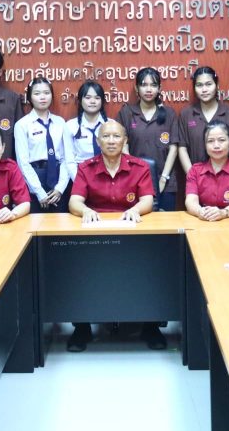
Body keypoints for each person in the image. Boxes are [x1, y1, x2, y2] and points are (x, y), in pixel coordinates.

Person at [67, 120, 157, 351]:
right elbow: (74, 201)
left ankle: (151, 325)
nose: (111, 141)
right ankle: (82, 327)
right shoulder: (86, 168)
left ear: (125, 140)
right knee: (78, 269)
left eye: (116, 136)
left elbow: (147, 200)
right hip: (95, 233)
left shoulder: (140, 167)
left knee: (152, 267)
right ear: (98, 141)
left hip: (132, 232)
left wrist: (135, 210)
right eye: (106, 136)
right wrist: (86, 211)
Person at [116, 67, 181, 211]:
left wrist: (163, 178)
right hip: (134, 182)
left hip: (166, 183)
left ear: (159, 88)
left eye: (153, 85)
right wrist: (134, 176)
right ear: (136, 88)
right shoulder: (127, 112)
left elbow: (174, 149)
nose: (149, 89)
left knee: (166, 222)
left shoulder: (169, 113)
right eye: (144, 85)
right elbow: (123, 146)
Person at [178, 66, 229, 172]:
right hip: (196, 177)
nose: (204, 90)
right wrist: (192, 176)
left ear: (217, 86)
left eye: (208, 84)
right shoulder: (186, 114)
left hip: (228, 176)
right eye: (199, 85)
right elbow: (182, 148)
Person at [14, 77, 69, 213]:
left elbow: (66, 158)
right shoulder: (22, 124)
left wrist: (60, 188)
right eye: (37, 93)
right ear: (30, 97)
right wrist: (38, 191)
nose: (42, 97)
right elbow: (23, 162)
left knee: (61, 222)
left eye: (46, 93)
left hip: (58, 177)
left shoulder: (60, 122)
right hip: (34, 177)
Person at [185, 122, 229, 222]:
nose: (216, 145)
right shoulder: (195, 170)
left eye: (221, 140)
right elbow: (190, 201)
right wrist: (200, 212)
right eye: (210, 141)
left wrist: (223, 213)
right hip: (204, 221)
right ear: (205, 145)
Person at [63, 80, 107, 184]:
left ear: (102, 101)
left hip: (107, 176)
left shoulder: (111, 125)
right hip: (80, 176)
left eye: (97, 98)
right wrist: (80, 183)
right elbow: (70, 161)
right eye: (88, 98)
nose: (92, 101)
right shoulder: (70, 126)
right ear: (80, 100)